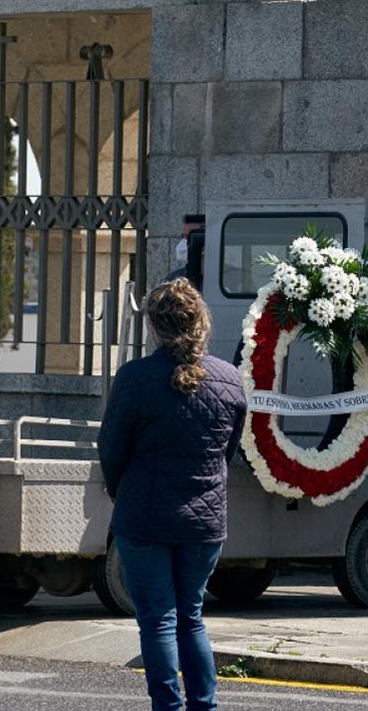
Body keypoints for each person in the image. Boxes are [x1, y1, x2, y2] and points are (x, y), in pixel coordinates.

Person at [98, 278, 247, 711]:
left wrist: (118, 488)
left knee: (158, 619)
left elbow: (112, 448)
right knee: (190, 616)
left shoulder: (135, 378)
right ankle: (204, 705)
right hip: (205, 521)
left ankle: (168, 707)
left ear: (153, 326)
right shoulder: (229, 379)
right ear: (201, 322)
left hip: (144, 517)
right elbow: (228, 451)